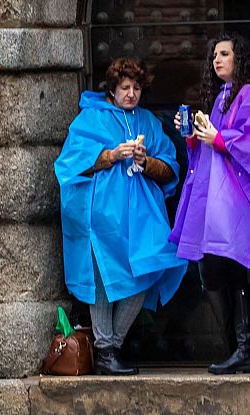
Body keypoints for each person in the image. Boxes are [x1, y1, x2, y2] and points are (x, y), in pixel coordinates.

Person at [170, 32, 250, 375]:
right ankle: (244, 344)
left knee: (229, 265)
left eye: (224, 54)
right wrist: (194, 136)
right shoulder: (222, 97)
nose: (217, 60)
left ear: (239, 58)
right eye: (214, 55)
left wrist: (219, 138)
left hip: (242, 199)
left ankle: (244, 346)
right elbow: (212, 148)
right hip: (224, 199)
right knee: (218, 266)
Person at [53, 57, 188, 376]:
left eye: (137, 88)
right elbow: (70, 165)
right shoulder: (90, 120)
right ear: (111, 90)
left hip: (142, 220)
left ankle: (109, 346)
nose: (131, 94)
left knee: (148, 271)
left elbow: (170, 168)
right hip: (101, 219)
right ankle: (106, 352)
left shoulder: (149, 123)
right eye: (124, 88)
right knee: (101, 281)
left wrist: (146, 161)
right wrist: (110, 155)